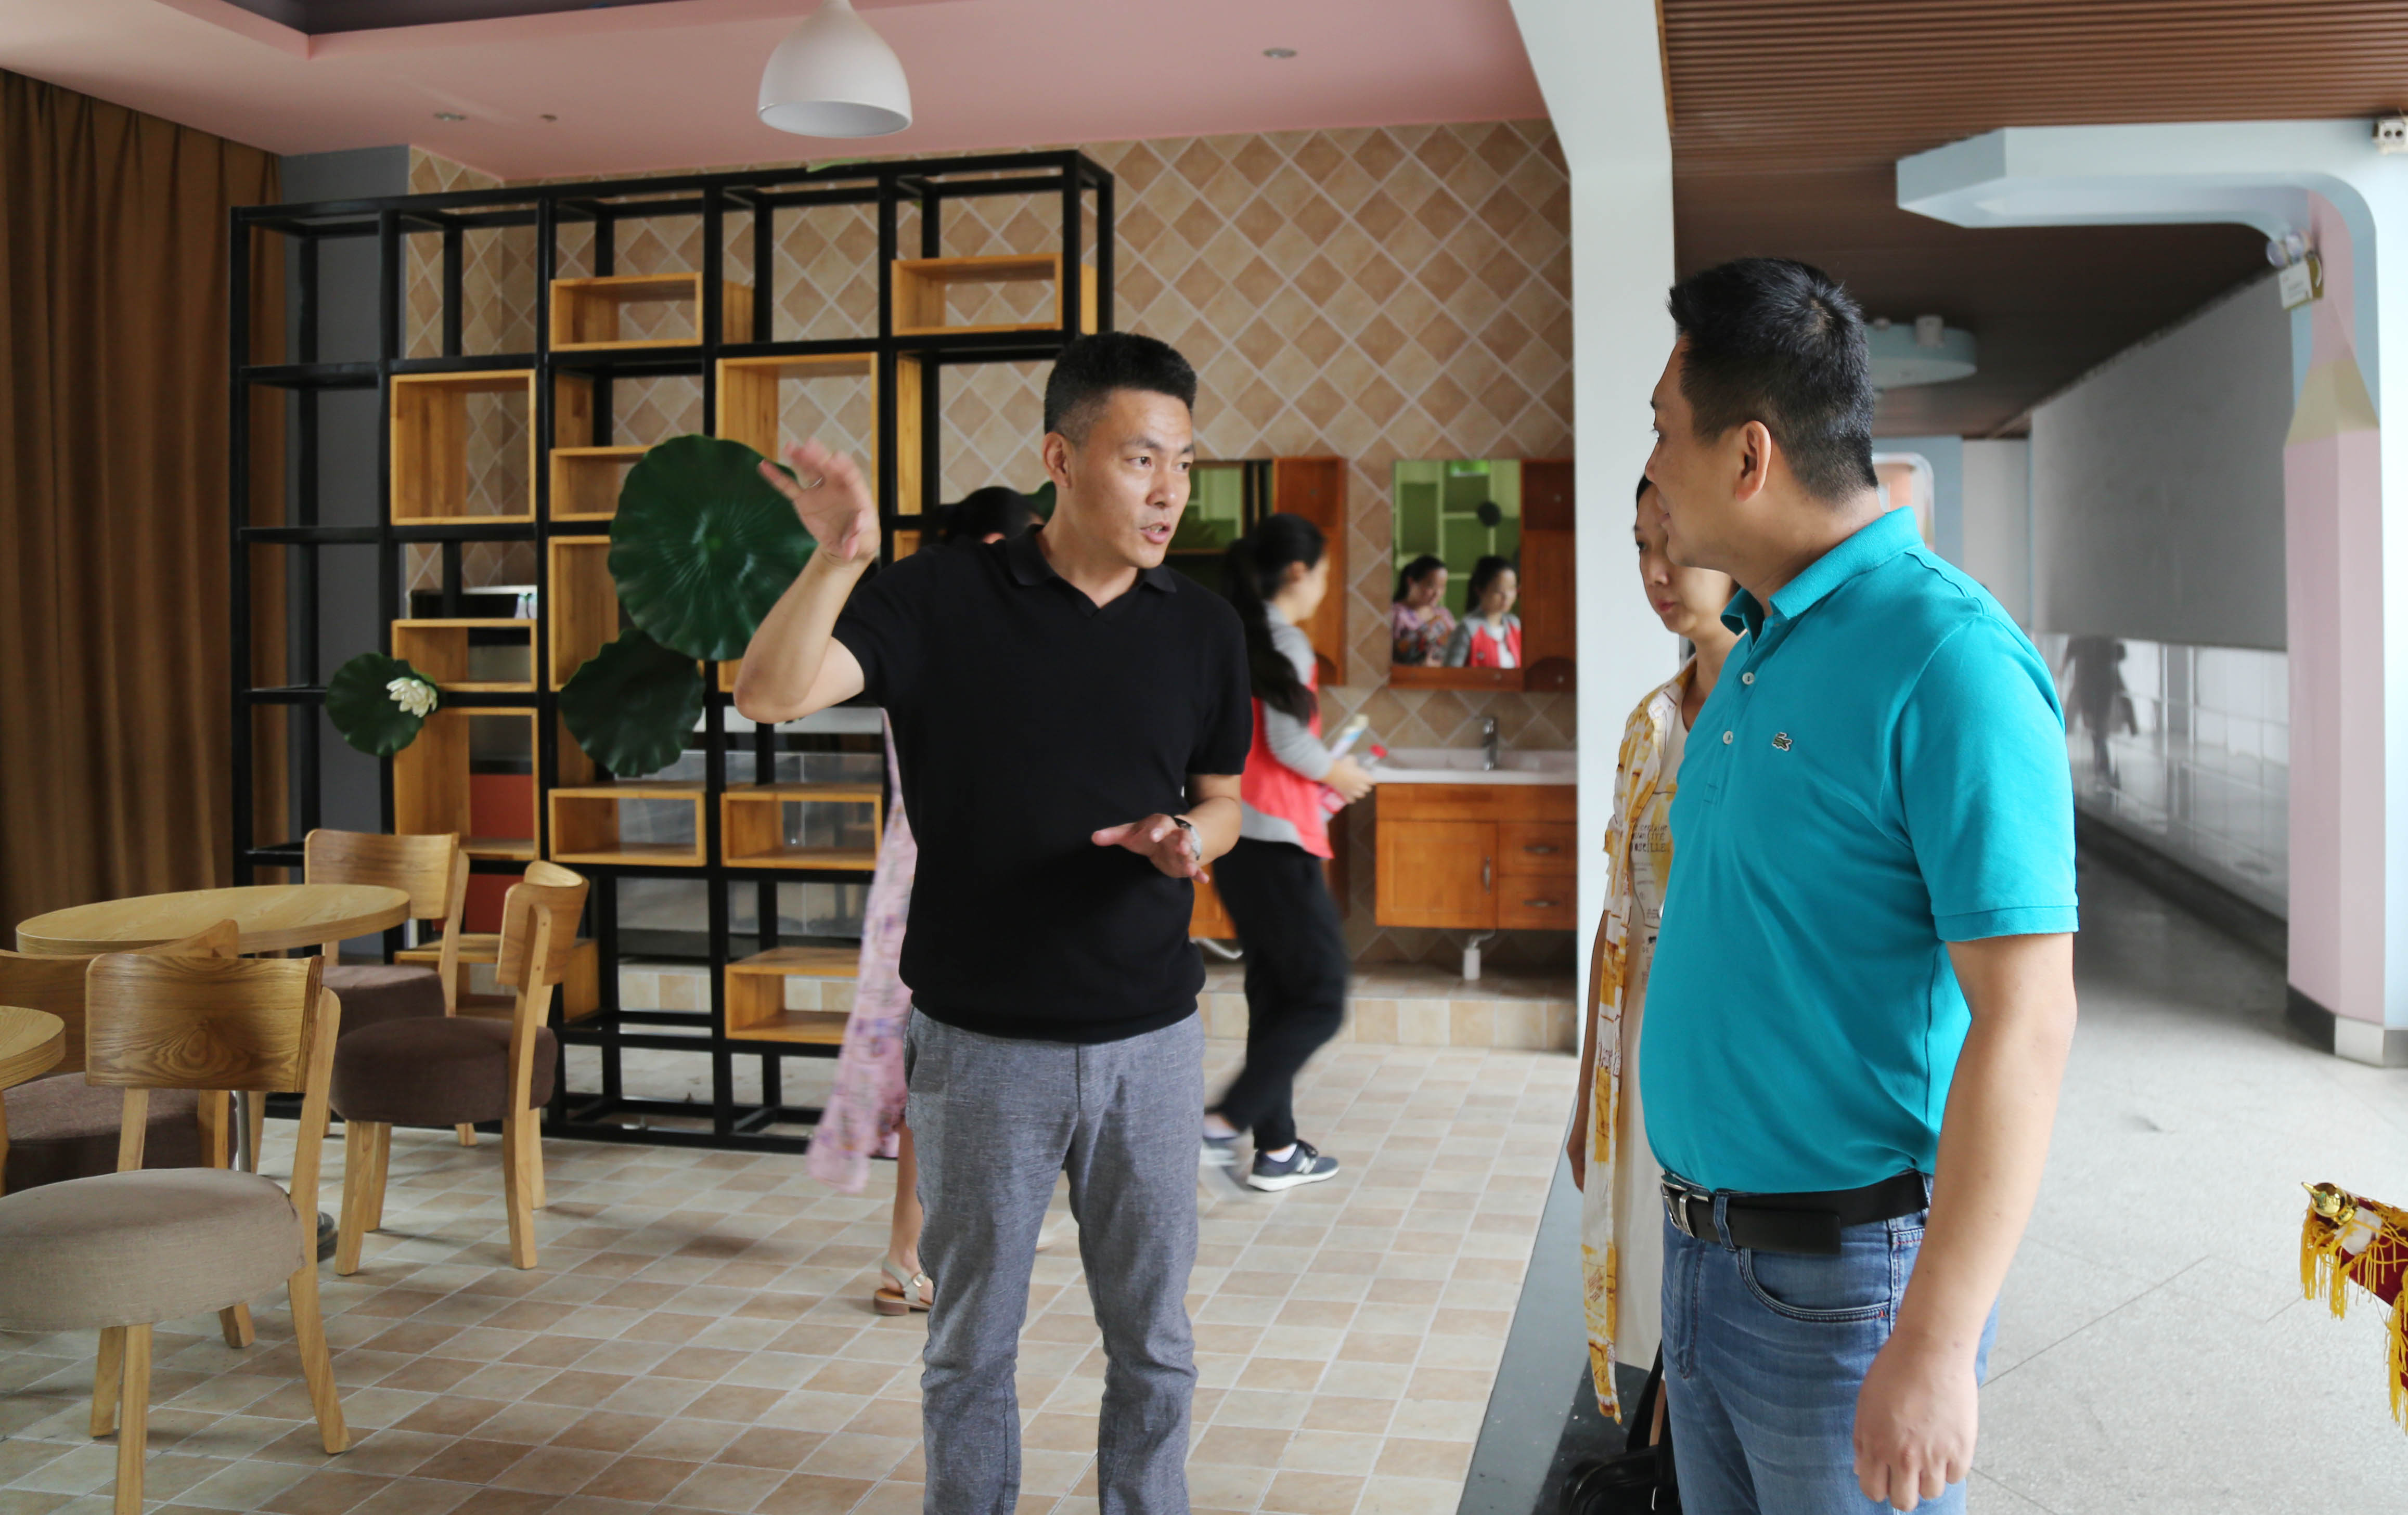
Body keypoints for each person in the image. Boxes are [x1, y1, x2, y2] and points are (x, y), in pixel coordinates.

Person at [733, 332, 1249, 1515]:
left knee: (1155, 1341)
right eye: (1140, 459)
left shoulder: (1202, 628)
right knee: (970, 1345)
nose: (1169, 490)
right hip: (980, 1046)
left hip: (1151, 1040)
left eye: (1182, 462)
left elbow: (1222, 798)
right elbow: (768, 692)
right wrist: (836, 560)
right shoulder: (937, 596)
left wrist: (1191, 841)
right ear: (1059, 460)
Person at [1639, 257, 2078, 1514]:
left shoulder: (1949, 659)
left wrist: (1936, 1343)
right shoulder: (1757, 648)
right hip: (1705, 1263)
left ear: (1748, 455)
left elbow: (2028, 1019)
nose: (1652, 468)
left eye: (1664, 431)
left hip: (1842, 1291)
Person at [807, 489, 1034, 1317]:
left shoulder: (954, 625)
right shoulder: (938, 630)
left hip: (949, 867)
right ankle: (906, 1251)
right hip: (935, 872)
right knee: (933, 1074)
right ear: (993, 545)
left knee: (976, 1070)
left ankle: (945, 1236)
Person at [1566, 474, 1738, 1420]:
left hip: (1721, 1048)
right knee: (1651, 1279)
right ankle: (1673, 1455)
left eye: (1672, 543)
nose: (1655, 570)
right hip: (1634, 1044)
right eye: (1640, 546)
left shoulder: (1773, 712)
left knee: (1719, 1290)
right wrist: (1584, 1098)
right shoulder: (1653, 719)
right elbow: (1616, 912)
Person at [1200, 513, 1375, 1192]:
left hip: (1239, 838)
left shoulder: (1233, 637)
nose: (1326, 587)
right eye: (1325, 574)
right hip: (1276, 842)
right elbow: (1290, 744)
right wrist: (1339, 773)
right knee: (1321, 998)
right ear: (1297, 573)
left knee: (1275, 996)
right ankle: (1222, 1123)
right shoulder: (1285, 642)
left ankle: (1276, 1148)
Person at [1441, 554, 1520, 667]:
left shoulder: (1515, 625)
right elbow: (1451, 673)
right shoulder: (1468, 629)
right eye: (1499, 590)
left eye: (1512, 589)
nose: (1507, 596)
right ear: (1480, 590)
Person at [1389, 553, 1454, 666]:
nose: (1438, 593)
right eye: (1431, 586)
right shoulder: (1395, 615)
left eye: (1442, 587)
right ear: (1411, 582)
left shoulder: (1444, 615)